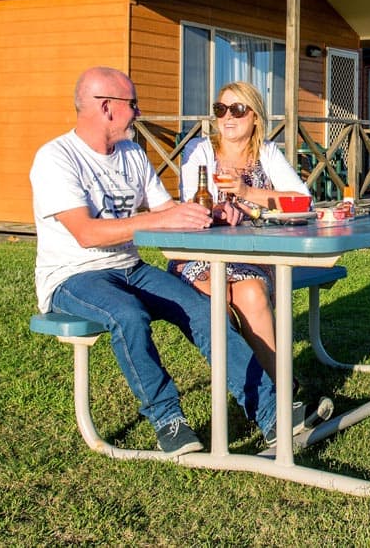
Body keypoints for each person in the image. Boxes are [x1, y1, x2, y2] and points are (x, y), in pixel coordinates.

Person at [30, 66, 304, 456]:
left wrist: (208, 215)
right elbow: (86, 233)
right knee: (128, 315)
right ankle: (167, 419)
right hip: (73, 275)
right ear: (107, 107)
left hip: (129, 267)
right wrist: (160, 219)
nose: (138, 113)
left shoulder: (131, 154)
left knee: (204, 309)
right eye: (133, 105)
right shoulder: (57, 158)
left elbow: (168, 209)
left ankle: (271, 414)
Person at [174, 82, 331, 416]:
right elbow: (193, 200)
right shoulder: (200, 152)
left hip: (252, 256)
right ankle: (274, 399)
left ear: (256, 117)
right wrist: (217, 210)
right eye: (221, 109)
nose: (227, 117)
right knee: (223, 299)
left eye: (237, 109)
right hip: (200, 255)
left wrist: (248, 191)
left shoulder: (267, 154)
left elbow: (303, 201)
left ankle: (281, 393)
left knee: (251, 295)